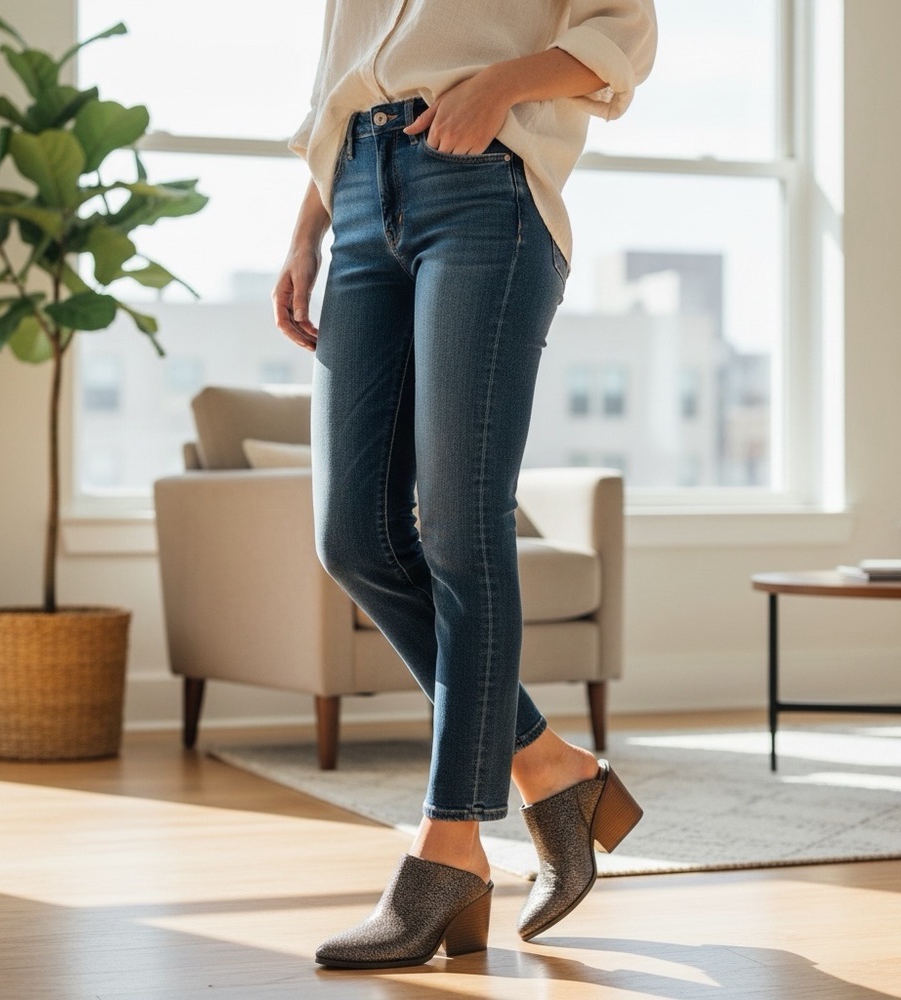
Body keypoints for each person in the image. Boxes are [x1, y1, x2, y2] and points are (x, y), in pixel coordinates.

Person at [273, 0, 657, 970]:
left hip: (486, 188)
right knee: (353, 535)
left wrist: (500, 86)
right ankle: (551, 767)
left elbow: (623, 30)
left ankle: (449, 846)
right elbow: (339, 72)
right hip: (356, 190)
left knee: (459, 522)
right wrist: (308, 227)